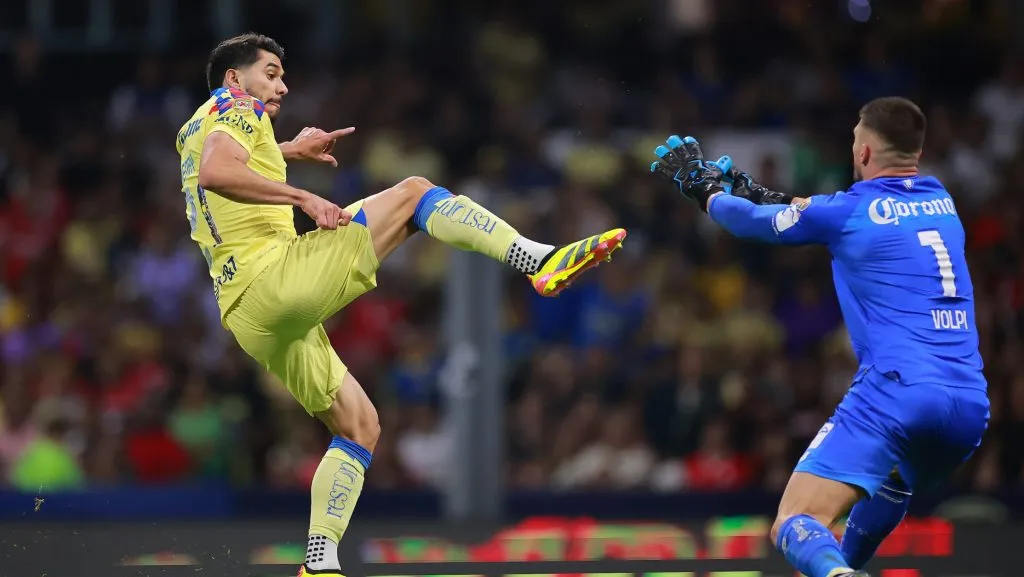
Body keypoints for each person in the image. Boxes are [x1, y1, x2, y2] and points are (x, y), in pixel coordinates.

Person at [175, 33, 626, 577]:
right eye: (270, 72)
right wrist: (305, 194)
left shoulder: (197, 123)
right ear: (234, 78)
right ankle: (539, 260)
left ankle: (318, 563)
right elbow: (218, 173)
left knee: (359, 426)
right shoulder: (236, 105)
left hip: (246, 314)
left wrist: (289, 151)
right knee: (414, 192)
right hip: (276, 278)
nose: (281, 84)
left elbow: (214, 165)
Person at [650, 97, 989, 577]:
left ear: (866, 152)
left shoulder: (850, 209)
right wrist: (760, 191)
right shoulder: (942, 201)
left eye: (855, 139)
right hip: (968, 405)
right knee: (893, 480)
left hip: (897, 391)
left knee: (794, 522)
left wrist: (703, 188)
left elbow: (749, 224)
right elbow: (828, 214)